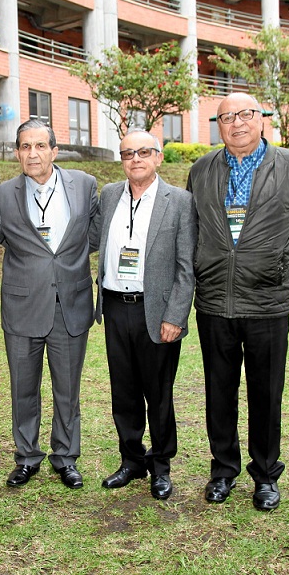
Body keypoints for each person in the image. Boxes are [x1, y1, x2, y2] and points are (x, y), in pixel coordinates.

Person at [186, 92, 289, 511]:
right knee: (218, 391)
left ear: (262, 119)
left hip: (267, 304)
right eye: (227, 117)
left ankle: (265, 474)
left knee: (266, 392)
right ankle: (223, 469)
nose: (237, 123)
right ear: (218, 125)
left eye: (245, 114)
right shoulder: (201, 169)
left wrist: (282, 269)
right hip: (214, 302)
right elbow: (192, 228)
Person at [0, 120, 100, 490]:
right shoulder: (3, 195)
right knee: (23, 387)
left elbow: (95, 235)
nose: (32, 153)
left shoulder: (83, 185)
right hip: (22, 307)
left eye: (40, 146)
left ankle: (66, 457)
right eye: (25, 147)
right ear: (17, 152)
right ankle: (27, 457)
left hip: (70, 304)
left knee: (67, 388)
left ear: (54, 150)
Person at [94, 129, 195, 500]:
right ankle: (132, 460)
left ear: (158, 157)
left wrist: (176, 316)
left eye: (143, 152)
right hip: (116, 308)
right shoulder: (108, 196)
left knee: (159, 393)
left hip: (158, 313)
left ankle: (161, 465)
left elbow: (186, 266)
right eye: (127, 153)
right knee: (124, 391)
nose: (135, 159)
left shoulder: (180, 201)